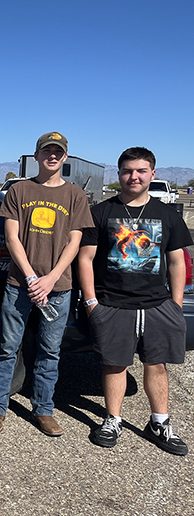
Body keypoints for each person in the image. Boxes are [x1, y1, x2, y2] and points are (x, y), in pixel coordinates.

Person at [78, 147, 191, 456]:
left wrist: (176, 305)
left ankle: (159, 422)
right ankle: (112, 419)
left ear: (152, 174)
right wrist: (91, 303)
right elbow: (85, 259)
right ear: (119, 175)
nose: (134, 176)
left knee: (157, 364)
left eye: (141, 171)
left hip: (157, 304)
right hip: (112, 303)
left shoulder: (168, 215)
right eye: (128, 171)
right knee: (114, 364)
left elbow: (178, 262)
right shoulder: (101, 212)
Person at [0, 132, 93, 436]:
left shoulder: (75, 195)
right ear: (37, 155)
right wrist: (31, 277)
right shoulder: (20, 190)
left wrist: (51, 278)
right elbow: (12, 236)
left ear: (65, 157)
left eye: (58, 152)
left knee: (49, 351)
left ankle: (43, 410)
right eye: (47, 151)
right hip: (20, 284)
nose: (52, 156)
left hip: (58, 287)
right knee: (7, 347)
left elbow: (75, 241)